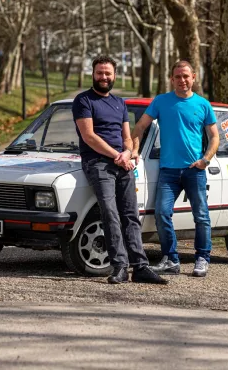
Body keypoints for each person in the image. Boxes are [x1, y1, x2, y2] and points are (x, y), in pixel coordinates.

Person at [72, 55, 167, 285]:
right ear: (92, 74)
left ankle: (141, 267)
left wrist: (128, 152)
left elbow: (127, 137)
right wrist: (117, 155)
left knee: (131, 215)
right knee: (110, 213)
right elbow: (89, 137)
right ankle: (120, 267)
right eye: (99, 73)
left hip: (121, 162)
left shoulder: (119, 103)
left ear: (114, 75)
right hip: (97, 163)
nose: (103, 77)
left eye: (108, 73)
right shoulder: (83, 100)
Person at [132, 60, 219, 277]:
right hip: (168, 171)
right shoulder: (161, 102)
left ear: (193, 78)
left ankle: (202, 258)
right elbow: (140, 127)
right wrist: (134, 149)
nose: (182, 80)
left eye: (186, 76)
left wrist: (205, 160)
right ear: (172, 79)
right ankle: (171, 259)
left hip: (194, 170)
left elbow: (215, 136)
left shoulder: (203, 105)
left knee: (201, 216)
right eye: (178, 76)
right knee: (162, 213)